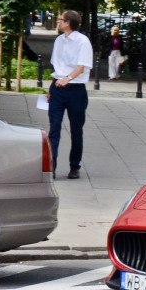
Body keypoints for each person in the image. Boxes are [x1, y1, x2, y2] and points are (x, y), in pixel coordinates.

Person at [47, 10, 94, 179]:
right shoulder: (59, 40)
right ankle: (51, 166)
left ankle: (75, 166)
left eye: (60, 19)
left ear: (68, 23)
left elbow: (82, 66)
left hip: (76, 90)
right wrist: (51, 88)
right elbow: (56, 67)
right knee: (54, 128)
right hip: (58, 88)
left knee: (76, 130)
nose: (58, 22)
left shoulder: (83, 42)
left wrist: (67, 78)